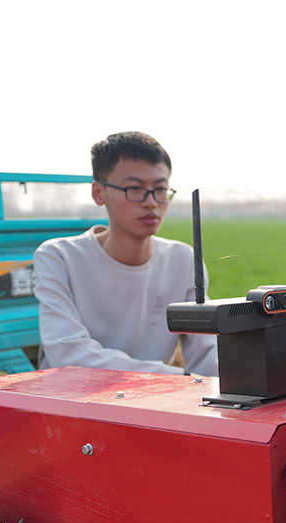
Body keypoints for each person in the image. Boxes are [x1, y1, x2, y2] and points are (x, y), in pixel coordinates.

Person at [34, 131, 217, 376]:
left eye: (160, 189)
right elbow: (67, 355)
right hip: (74, 401)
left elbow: (207, 358)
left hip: (153, 400)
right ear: (98, 192)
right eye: (135, 188)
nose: (151, 202)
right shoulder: (60, 257)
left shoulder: (183, 261)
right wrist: (174, 377)